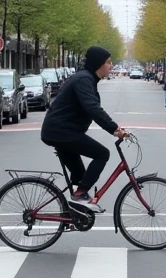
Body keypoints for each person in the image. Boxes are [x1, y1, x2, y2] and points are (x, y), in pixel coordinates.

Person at [41, 46, 128, 214]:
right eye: (108, 62)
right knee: (102, 154)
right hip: (61, 132)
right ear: (99, 64)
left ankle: (74, 212)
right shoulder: (84, 80)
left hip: (60, 132)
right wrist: (115, 129)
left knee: (80, 175)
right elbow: (92, 108)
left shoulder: (87, 79)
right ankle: (79, 196)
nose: (111, 66)